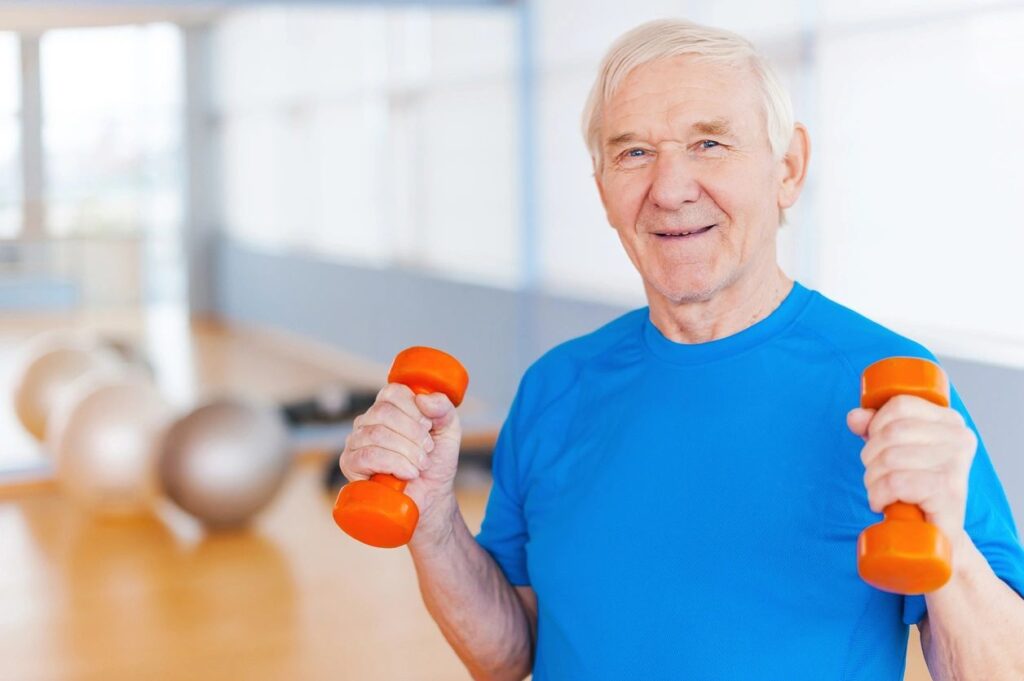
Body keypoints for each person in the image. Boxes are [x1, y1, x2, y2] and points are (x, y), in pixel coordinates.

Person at [339, 18, 1024, 680]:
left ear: (788, 169)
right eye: (633, 152)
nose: (669, 190)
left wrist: (953, 550)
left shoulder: (893, 392)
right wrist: (432, 521)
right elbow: (506, 654)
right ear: (604, 190)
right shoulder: (556, 387)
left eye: (710, 144)